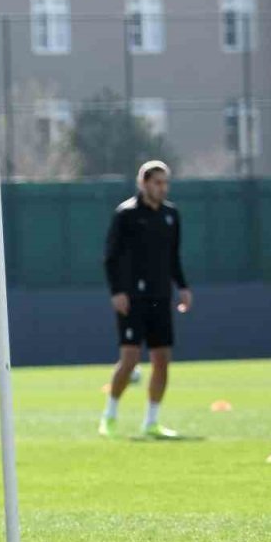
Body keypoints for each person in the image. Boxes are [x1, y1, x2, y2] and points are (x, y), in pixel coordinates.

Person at [98, 161, 192, 440]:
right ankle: (109, 416)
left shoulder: (171, 215)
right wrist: (117, 291)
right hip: (132, 297)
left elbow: (173, 257)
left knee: (162, 359)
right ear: (144, 183)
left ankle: (152, 421)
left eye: (165, 183)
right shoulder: (126, 214)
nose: (162, 188)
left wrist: (183, 287)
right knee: (129, 359)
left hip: (160, 296)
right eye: (157, 182)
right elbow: (110, 257)